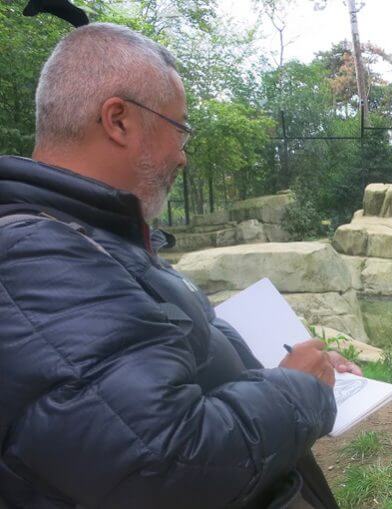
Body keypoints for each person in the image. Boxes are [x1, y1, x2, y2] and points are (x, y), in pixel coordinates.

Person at [0, 22, 360, 509]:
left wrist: (283, 372)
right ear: (119, 120)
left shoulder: (92, 236)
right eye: (180, 129)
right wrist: (297, 391)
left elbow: (138, 389)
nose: (183, 156)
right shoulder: (36, 258)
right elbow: (168, 464)